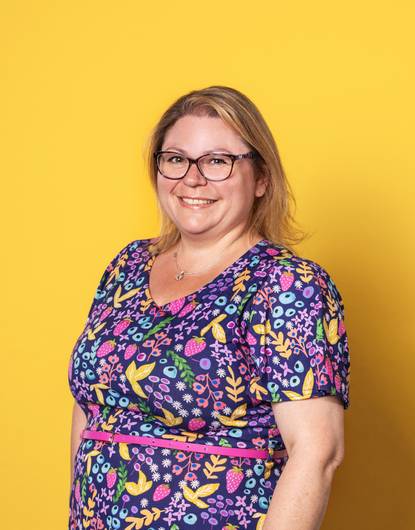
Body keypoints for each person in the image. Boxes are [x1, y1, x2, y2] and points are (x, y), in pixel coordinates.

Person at [68, 85, 350, 530]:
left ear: (261, 179)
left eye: (218, 161)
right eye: (176, 159)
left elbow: (318, 453)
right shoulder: (127, 267)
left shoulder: (285, 284)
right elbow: (93, 411)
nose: (192, 178)